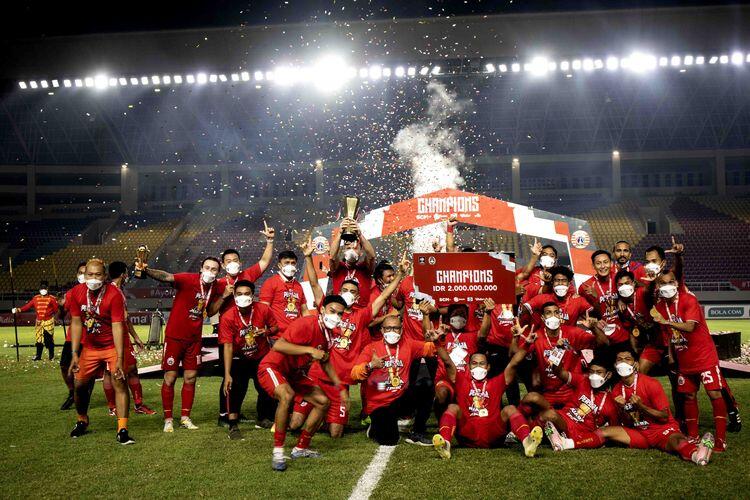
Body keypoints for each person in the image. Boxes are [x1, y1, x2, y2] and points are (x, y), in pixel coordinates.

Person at [291, 244, 408, 438]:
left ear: (358, 296)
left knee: (336, 434)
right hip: (317, 376)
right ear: (339, 291)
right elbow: (314, 285)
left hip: (340, 382)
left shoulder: (361, 316)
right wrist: (308, 257)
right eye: (344, 289)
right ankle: (313, 413)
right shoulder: (329, 309)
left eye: (352, 291)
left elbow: (384, 296)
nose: (348, 293)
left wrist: (400, 274)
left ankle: (324, 416)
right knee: (295, 424)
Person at [257, 295, 348, 472]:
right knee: (287, 396)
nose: (336, 316)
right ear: (322, 310)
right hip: (273, 367)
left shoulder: (330, 334)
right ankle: (278, 452)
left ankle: (301, 448)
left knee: (323, 402)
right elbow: (278, 346)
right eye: (332, 311)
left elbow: (325, 361)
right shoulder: (306, 323)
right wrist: (309, 350)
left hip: (294, 373)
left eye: (340, 314)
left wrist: (339, 386)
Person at [136, 256, 224, 432]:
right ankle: (168, 419)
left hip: (194, 339)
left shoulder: (216, 287)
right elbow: (166, 276)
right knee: (170, 378)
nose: (210, 271)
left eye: (214, 269)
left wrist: (224, 296)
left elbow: (210, 311)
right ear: (201, 268)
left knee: (190, 378)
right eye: (207, 268)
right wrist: (146, 270)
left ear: (218, 272)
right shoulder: (187, 279)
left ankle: (185, 417)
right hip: (175, 337)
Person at [652, 271, 729, 451]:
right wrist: (671, 355)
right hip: (684, 359)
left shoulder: (689, 299)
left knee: (714, 394)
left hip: (704, 356)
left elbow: (690, 326)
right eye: (663, 283)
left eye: (671, 282)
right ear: (658, 286)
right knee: (688, 396)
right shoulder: (659, 307)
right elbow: (668, 334)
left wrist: (666, 322)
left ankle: (721, 439)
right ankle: (693, 436)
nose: (668, 286)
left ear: (677, 283)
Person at [351, 314, 455, 446]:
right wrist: (370, 365)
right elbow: (354, 374)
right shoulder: (371, 348)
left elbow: (431, 349)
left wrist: (439, 338)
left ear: (401, 330)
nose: (392, 331)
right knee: (390, 440)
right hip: (379, 404)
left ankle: (417, 432)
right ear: (382, 330)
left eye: (396, 328)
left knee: (426, 382)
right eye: (388, 328)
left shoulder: (408, 344)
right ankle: (375, 428)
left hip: (400, 399)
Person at [213, 223, 275, 427]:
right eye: (228, 261)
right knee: (229, 377)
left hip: (251, 333)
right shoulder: (218, 284)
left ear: (240, 262)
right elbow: (210, 311)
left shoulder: (247, 276)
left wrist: (270, 240)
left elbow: (264, 261)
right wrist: (224, 296)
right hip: (229, 335)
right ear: (223, 265)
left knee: (257, 377)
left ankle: (261, 414)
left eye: (235, 260)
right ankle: (225, 415)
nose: (232, 263)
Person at [608, 348, 715, 465]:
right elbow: (628, 423)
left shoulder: (651, 383)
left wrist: (641, 407)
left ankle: (696, 455)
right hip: (639, 432)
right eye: (619, 360)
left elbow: (664, 417)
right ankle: (697, 448)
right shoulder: (616, 390)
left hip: (661, 429)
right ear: (615, 364)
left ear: (636, 364)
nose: (623, 363)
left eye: (627, 359)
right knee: (605, 432)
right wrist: (623, 408)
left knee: (676, 441)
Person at [67, 259, 134, 445]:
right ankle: (82, 420)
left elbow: (117, 326)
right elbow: (76, 323)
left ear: (105, 276)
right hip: (90, 348)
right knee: (79, 385)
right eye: (90, 274)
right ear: (84, 275)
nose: (93, 278)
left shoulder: (114, 294)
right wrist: (75, 353)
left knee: (119, 382)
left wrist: (120, 358)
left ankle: (122, 429)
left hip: (111, 346)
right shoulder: (76, 293)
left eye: (98, 275)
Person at [431, 349, 543, 459]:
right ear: (468, 367)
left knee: (510, 408)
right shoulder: (461, 381)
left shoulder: (497, 382)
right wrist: (437, 343)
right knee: (452, 407)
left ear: (488, 367)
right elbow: (447, 362)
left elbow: (514, 363)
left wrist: (527, 344)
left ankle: (528, 442)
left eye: (482, 363)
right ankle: (445, 445)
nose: (478, 366)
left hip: (492, 434)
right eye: (474, 363)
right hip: (468, 433)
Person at [519, 303, 609, 409]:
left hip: (571, 390)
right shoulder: (536, 336)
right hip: (549, 392)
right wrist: (520, 340)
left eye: (556, 312)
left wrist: (594, 328)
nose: (553, 316)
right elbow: (515, 355)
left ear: (560, 316)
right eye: (548, 313)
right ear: (543, 318)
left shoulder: (573, 332)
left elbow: (604, 343)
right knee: (533, 412)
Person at [219, 280, 278, 440]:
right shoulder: (228, 316)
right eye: (239, 294)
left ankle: (263, 418)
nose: (243, 297)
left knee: (265, 388)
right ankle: (232, 425)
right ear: (234, 295)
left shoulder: (263, 309)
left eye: (246, 294)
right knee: (235, 388)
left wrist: (265, 332)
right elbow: (228, 346)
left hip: (261, 356)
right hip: (240, 358)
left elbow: (275, 327)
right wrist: (227, 373)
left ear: (253, 295)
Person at [101, 262, 155, 415]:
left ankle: (128, 405)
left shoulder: (116, 291)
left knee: (124, 370)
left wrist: (135, 337)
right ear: (123, 274)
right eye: (126, 273)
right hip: (113, 338)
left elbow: (125, 318)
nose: (127, 276)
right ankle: (118, 407)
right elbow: (120, 317)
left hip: (120, 336)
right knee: (113, 372)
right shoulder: (112, 291)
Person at [539, 354, 620, 451]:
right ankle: (548, 436)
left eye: (599, 372)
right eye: (591, 372)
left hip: (577, 431)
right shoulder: (583, 380)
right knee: (540, 409)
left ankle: (550, 436)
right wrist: (557, 355)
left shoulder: (610, 403)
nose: (594, 376)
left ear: (608, 375)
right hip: (563, 417)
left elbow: (614, 429)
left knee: (549, 416)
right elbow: (559, 372)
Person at [432, 303, 479, 420]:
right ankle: (441, 423)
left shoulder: (472, 336)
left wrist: (488, 313)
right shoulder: (442, 335)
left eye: (462, 315)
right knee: (442, 394)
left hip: (466, 380)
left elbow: (484, 333)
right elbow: (427, 335)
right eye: (456, 314)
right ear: (449, 317)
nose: (459, 317)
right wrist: (425, 314)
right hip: (445, 379)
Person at [578, 250, 631, 356]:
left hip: (623, 333)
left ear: (611, 263)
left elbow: (634, 294)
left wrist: (622, 299)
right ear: (593, 266)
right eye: (598, 263)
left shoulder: (619, 279)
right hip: (602, 337)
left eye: (605, 262)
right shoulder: (585, 287)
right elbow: (583, 312)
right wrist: (595, 321)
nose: (602, 266)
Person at [478, 298, 522, 405]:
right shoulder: (489, 300)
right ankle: (495, 408)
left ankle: (515, 408)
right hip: (495, 345)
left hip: (513, 344)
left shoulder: (516, 298)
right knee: (495, 378)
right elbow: (482, 335)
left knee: (511, 378)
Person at [520, 266, 591, 328]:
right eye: (557, 280)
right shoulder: (542, 298)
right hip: (546, 337)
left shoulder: (578, 300)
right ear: (552, 283)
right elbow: (522, 310)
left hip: (568, 338)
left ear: (569, 284)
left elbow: (593, 315)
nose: (560, 283)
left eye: (564, 281)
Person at [328, 217, 376, 307]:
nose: (351, 250)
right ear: (343, 251)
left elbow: (372, 256)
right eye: (348, 248)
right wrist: (340, 233)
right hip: (340, 310)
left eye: (355, 248)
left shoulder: (365, 268)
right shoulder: (339, 267)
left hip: (360, 312)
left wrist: (359, 234)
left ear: (361, 252)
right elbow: (332, 256)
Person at [259, 250, 309, 337]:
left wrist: (311, 328)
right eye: (286, 263)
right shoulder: (270, 283)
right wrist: (265, 331)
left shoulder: (298, 286)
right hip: (277, 336)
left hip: (295, 335)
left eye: (293, 263)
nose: (290, 265)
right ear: (279, 265)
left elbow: (304, 311)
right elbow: (263, 309)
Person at [58, 262, 87, 410]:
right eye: (80, 273)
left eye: (85, 272)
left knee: (84, 371)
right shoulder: (71, 293)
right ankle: (72, 392)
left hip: (90, 338)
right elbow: (60, 316)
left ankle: (82, 395)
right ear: (77, 275)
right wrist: (60, 306)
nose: (83, 275)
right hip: (73, 337)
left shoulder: (97, 292)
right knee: (64, 366)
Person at [14, 280, 58, 361]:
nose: (43, 290)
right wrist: (18, 309)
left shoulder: (52, 298)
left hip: (48, 321)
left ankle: (51, 356)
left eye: (44, 289)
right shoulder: (35, 298)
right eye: (42, 289)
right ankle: (38, 356)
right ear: (39, 290)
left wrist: (55, 316)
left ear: (47, 289)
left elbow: (56, 310)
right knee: (38, 339)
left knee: (49, 339)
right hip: (39, 322)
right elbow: (28, 306)